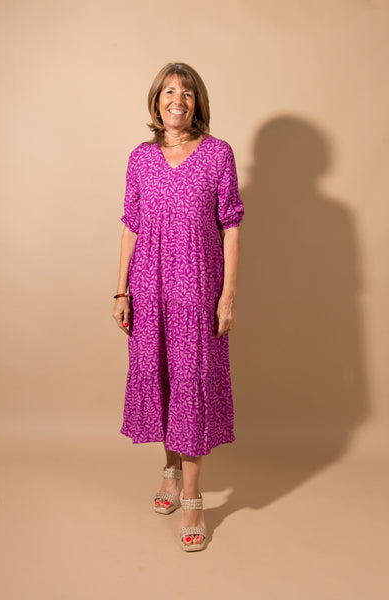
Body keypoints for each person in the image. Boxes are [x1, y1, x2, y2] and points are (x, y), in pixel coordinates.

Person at [112, 62, 244, 552]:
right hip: (149, 289)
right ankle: (169, 471)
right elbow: (131, 225)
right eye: (169, 91)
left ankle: (192, 499)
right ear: (157, 100)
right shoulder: (140, 158)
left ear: (197, 103)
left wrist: (228, 294)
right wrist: (121, 291)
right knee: (162, 377)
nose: (177, 100)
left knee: (191, 384)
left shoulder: (218, 154)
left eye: (187, 93)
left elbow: (231, 225)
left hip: (197, 289)